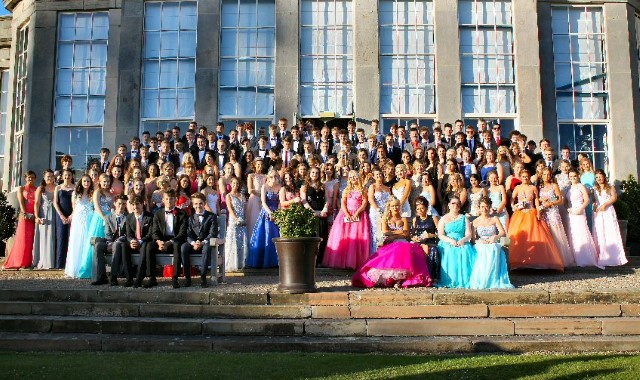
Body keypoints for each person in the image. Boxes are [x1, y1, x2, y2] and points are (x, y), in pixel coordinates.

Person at [352, 197, 431, 288]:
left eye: (397, 205)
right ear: (389, 207)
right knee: (395, 249)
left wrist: (393, 235)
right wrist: (398, 233)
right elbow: (385, 232)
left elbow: (406, 233)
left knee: (404, 249)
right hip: (390, 242)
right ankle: (392, 278)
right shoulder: (386, 218)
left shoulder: (403, 218)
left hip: (402, 241)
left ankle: (401, 279)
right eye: (393, 206)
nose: (395, 208)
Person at [507, 169, 564, 271]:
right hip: (520, 214)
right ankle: (519, 262)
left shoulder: (533, 187)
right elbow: (512, 199)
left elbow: (536, 199)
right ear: (520, 177)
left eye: (527, 176)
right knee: (520, 236)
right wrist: (514, 206)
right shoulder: (517, 187)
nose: (525, 178)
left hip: (531, 212)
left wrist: (538, 211)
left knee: (534, 235)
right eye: (523, 176)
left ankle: (535, 261)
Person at [323, 170, 371, 270]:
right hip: (346, 214)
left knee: (356, 237)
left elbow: (364, 202)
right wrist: (347, 213)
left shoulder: (363, 189)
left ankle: (354, 262)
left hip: (359, 214)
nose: (353, 178)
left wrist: (357, 212)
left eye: (355, 176)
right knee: (344, 237)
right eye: (351, 177)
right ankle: (342, 261)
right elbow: (343, 203)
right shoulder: (346, 190)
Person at [469, 197, 513, 289]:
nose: (484, 209)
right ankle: (483, 278)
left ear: (489, 207)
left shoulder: (495, 219)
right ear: (479, 208)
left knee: (493, 248)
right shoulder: (475, 222)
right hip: (481, 243)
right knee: (482, 249)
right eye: (482, 207)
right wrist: (479, 241)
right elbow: (473, 240)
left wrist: (495, 237)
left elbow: (502, 232)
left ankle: (492, 278)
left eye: (486, 206)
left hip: (493, 242)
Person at [79, 173, 114, 279]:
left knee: (107, 242)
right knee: (95, 243)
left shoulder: (109, 193)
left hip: (109, 218)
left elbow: (111, 206)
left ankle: (103, 269)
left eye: (108, 181)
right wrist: (104, 218)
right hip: (99, 218)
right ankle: (89, 269)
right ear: (100, 182)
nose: (106, 183)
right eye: (104, 181)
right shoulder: (97, 192)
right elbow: (97, 207)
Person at [151, 189, 188, 288]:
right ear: (163, 200)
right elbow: (154, 232)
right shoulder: (157, 214)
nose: (169, 201)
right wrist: (159, 242)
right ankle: (152, 278)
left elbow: (182, 233)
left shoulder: (182, 214)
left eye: (171, 199)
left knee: (177, 246)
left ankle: (175, 278)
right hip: (161, 240)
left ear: (175, 200)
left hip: (175, 240)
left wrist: (169, 242)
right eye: (166, 199)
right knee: (149, 246)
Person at [538, 167, 574, 267]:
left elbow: (560, 200)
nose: (546, 176)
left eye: (548, 174)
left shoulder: (554, 186)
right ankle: (548, 259)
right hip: (544, 213)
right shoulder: (540, 186)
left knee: (556, 234)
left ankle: (559, 259)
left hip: (553, 212)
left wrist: (550, 203)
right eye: (544, 174)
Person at [564, 169, 601, 268]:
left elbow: (587, 200)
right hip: (571, 213)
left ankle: (584, 258)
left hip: (580, 212)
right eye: (570, 177)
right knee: (573, 234)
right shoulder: (569, 188)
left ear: (578, 176)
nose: (572, 178)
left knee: (581, 233)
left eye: (574, 176)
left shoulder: (581, 186)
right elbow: (565, 201)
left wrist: (580, 209)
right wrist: (568, 209)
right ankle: (575, 257)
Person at [181, 192, 219, 287]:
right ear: (193, 205)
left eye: (200, 203)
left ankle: (203, 277)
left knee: (206, 248)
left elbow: (213, 233)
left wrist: (202, 242)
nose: (198, 206)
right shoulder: (190, 218)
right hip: (193, 243)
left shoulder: (211, 216)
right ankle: (187, 277)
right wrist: (194, 243)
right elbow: (188, 234)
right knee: (183, 247)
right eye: (196, 204)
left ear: (204, 203)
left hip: (206, 242)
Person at [437, 196, 475, 288]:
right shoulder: (443, 219)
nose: (455, 205)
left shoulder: (464, 218)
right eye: (453, 203)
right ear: (449, 205)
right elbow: (441, 234)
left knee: (465, 250)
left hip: (462, 240)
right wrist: (451, 241)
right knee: (450, 251)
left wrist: (463, 240)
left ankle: (464, 280)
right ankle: (451, 279)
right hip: (447, 241)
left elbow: (469, 234)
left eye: (458, 203)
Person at [592, 169, 628, 267]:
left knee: (610, 231)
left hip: (608, 211)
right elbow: (595, 200)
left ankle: (614, 256)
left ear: (604, 176)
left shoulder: (609, 187)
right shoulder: (594, 188)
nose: (599, 179)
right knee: (600, 232)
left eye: (600, 176)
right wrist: (595, 205)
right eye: (597, 177)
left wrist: (605, 204)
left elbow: (614, 198)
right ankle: (602, 255)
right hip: (599, 212)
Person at [91, 194, 129, 286]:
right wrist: (109, 243)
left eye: (124, 204)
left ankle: (113, 277)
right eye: (119, 203)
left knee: (116, 245)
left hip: (122, 242)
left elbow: (128, 234)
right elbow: (107, 233)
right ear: (115, 203)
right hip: (110, 241)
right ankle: (100, 277)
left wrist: (114, 242)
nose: (121, 206)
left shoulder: (129, 217)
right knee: (98, 245)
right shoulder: (108, 217)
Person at [3, 171, 37, 269]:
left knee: (31, 239)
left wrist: (34, 215)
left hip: (33, 215)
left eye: (32, 177)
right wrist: (24, 212)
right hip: (24, 215)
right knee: (22, 238)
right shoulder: (21, 189)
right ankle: (18, 261)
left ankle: (27, 262)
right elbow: (21, 201)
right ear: (25, 178)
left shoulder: (36, 189)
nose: (30, 179)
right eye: (29, 177)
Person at [247, 170, 281, 268]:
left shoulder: (279, 187)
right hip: (267, 213)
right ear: (268, 177)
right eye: (271, 176)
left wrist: (278, 213)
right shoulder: (264, 187)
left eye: (276, 176)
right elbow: (263, 202)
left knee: (276, 235)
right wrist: (270, 212)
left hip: (277, 212)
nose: (274, 178)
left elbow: (280, 202)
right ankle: (263, 261)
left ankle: (275, 261)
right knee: (265, 235)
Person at [64, 175, 95, 278]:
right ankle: (74, 269)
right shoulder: (75, 194)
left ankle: (85, 269)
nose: (86, 183)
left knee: (86, 242)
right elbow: (74, 208)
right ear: (81, 182)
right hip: (78, 220)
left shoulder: (92, 194)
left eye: (88, 181)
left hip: (89, 220)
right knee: (76, 242)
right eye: (85, 181)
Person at [301, 166, 329, 264]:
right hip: (310, 214)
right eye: (313, 172)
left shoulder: (322, 185)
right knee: (311, 236)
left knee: (322, 236)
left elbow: (326, 199)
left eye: (317, 173)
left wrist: (325, 209)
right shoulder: (305, 186)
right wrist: (312, 212)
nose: (315, 174)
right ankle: (310, 260)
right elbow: (304, 201)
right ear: (309, 173)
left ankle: (320, 260)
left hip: (321, 214)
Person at [411, 196, 440, 282]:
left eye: (422, 208)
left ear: (426, 208)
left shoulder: (433, 218)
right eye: (418, 209)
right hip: (419, 242)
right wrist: (414, 237)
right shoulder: (415, 219)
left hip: (430, 241)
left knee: (431, 249)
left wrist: (430, 235)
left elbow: (440, 233)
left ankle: (430, 275)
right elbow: (412, 234)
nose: (420, 211)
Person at [32, 170, 56, 270]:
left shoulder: (57, 188)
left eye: (51, 176)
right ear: (44, 177)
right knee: (43, 237)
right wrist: (36, 216)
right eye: (47, 176)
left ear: (54, 178)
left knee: (53, 236)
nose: (49, 178)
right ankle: (42, 259)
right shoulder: (40, 189)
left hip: (55, 214)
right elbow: (37, 203)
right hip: (44, 214)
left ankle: (53, 260)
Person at [224, 177, 248, 272]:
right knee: (233, 240)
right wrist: (236, 219)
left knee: (242, 241)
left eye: (237, 183)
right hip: (234, 220)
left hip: (242, 219)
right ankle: (232, 263)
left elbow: (245, 208)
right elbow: (229, 209)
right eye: (234, 183)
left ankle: (241, 263)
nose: (235, 185)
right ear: (230, 184)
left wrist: (245, 219)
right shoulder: (228, 196)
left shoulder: (242, 195)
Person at [53, 169, 74, 269]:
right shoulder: (58, 187)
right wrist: (61, 215)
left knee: (71, 238)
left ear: (72, 176)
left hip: (72, 216)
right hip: (60, 215)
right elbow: (55, 202)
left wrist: (71, 216)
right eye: (65, 175)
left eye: (69, 175)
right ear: (62, 176)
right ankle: (60, 264)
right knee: (61, 238)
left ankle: (69, 264)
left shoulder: (75, 188)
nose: (67, 177)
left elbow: (77, 203)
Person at [367, 167, 391, 254]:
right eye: (377, 174)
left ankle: (383, 254)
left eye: (380, 174)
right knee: (376, 233)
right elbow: (370, 199)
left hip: (386, 213)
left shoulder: (387, 188)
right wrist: (378, 209)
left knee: (384, 233)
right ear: (373, 176)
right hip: (375, 212)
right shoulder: (372, 186)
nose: (379, 176)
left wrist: (387, 212)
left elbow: (390, 201)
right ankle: (374, 253)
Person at [245, 158, 266, 237]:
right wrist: (260, 195)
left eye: (261, 164)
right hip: (254, 199)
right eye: (258, 164)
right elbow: (250, 190)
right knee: (254, 220)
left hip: (263, 200)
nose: (260, 166)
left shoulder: (265, 176)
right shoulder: (251, 176)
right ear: (254, 165)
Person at [580, 158, 596, 230]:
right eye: (584, 164)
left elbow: (596, 185)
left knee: (592, 215)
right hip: (583, 198)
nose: (586, 166)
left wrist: (592, 191)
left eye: (587, 164)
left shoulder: (594, 174)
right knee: (585, 216)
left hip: (592, 196)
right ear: (582, 166)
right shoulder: (581, 176)